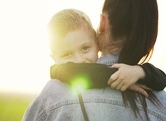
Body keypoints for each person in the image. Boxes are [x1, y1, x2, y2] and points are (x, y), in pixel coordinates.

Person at [23, 4, 166, 121]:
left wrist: (140, 73)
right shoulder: (161, 101)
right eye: (67, 54)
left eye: (85, 48)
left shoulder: (52, 95)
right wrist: (138, 74)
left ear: (100, 30)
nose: (78, 61)